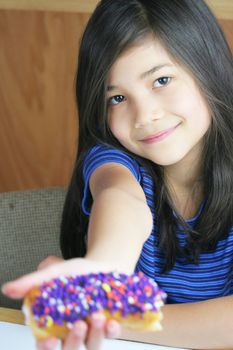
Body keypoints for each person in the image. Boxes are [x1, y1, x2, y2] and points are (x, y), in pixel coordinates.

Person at [2, 0, 233, 349]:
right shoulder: (114, 160)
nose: (143, 115)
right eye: (118, 98)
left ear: (208, 67)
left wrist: (113, 317)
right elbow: (120, 200)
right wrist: (103, 268)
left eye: (161, 80)